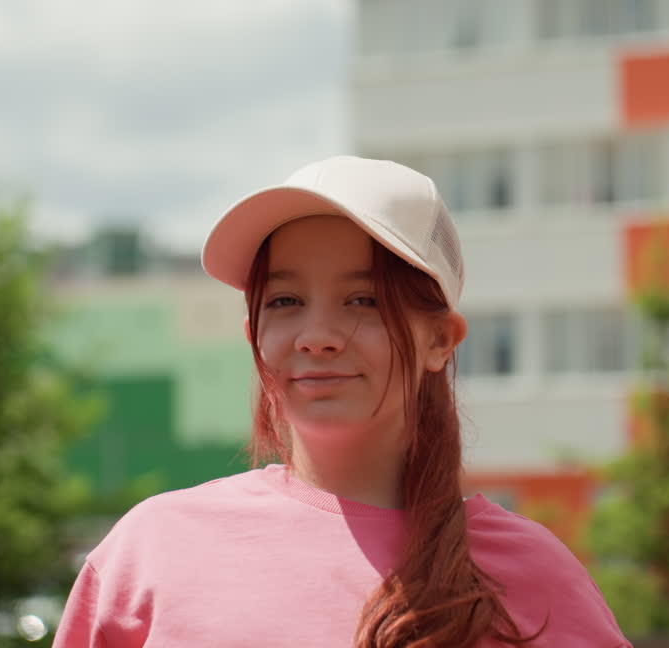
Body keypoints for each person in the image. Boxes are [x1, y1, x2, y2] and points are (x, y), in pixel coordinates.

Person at [52, 156, 630, 647]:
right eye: (284, 301)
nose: (317, 334)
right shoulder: (152, 550)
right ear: (252, 330)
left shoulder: (534, 578)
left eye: (362, 299)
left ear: (439, 340)